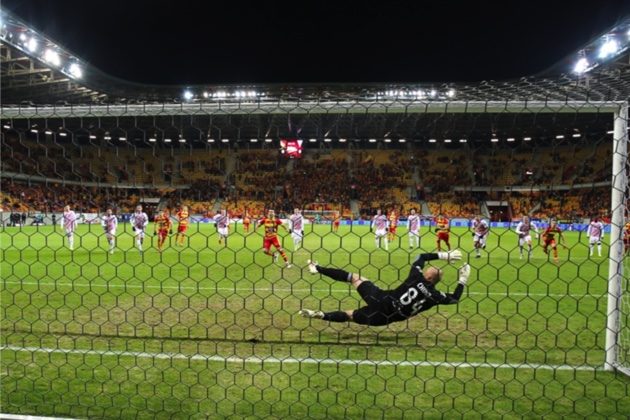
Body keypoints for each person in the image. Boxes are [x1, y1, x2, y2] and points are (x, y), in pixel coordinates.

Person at [299, 250, 470, 326]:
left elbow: (421, 257)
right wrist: (463, 279)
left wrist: (444, 256)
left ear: (427, 276)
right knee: (350, 316)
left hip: (380, 299)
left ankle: (317, 269)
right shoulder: (435, 296)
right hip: (386, 318)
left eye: (429, 269)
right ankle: (321, 315)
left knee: (354, 278)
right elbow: (455, 298)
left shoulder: (416, 277)